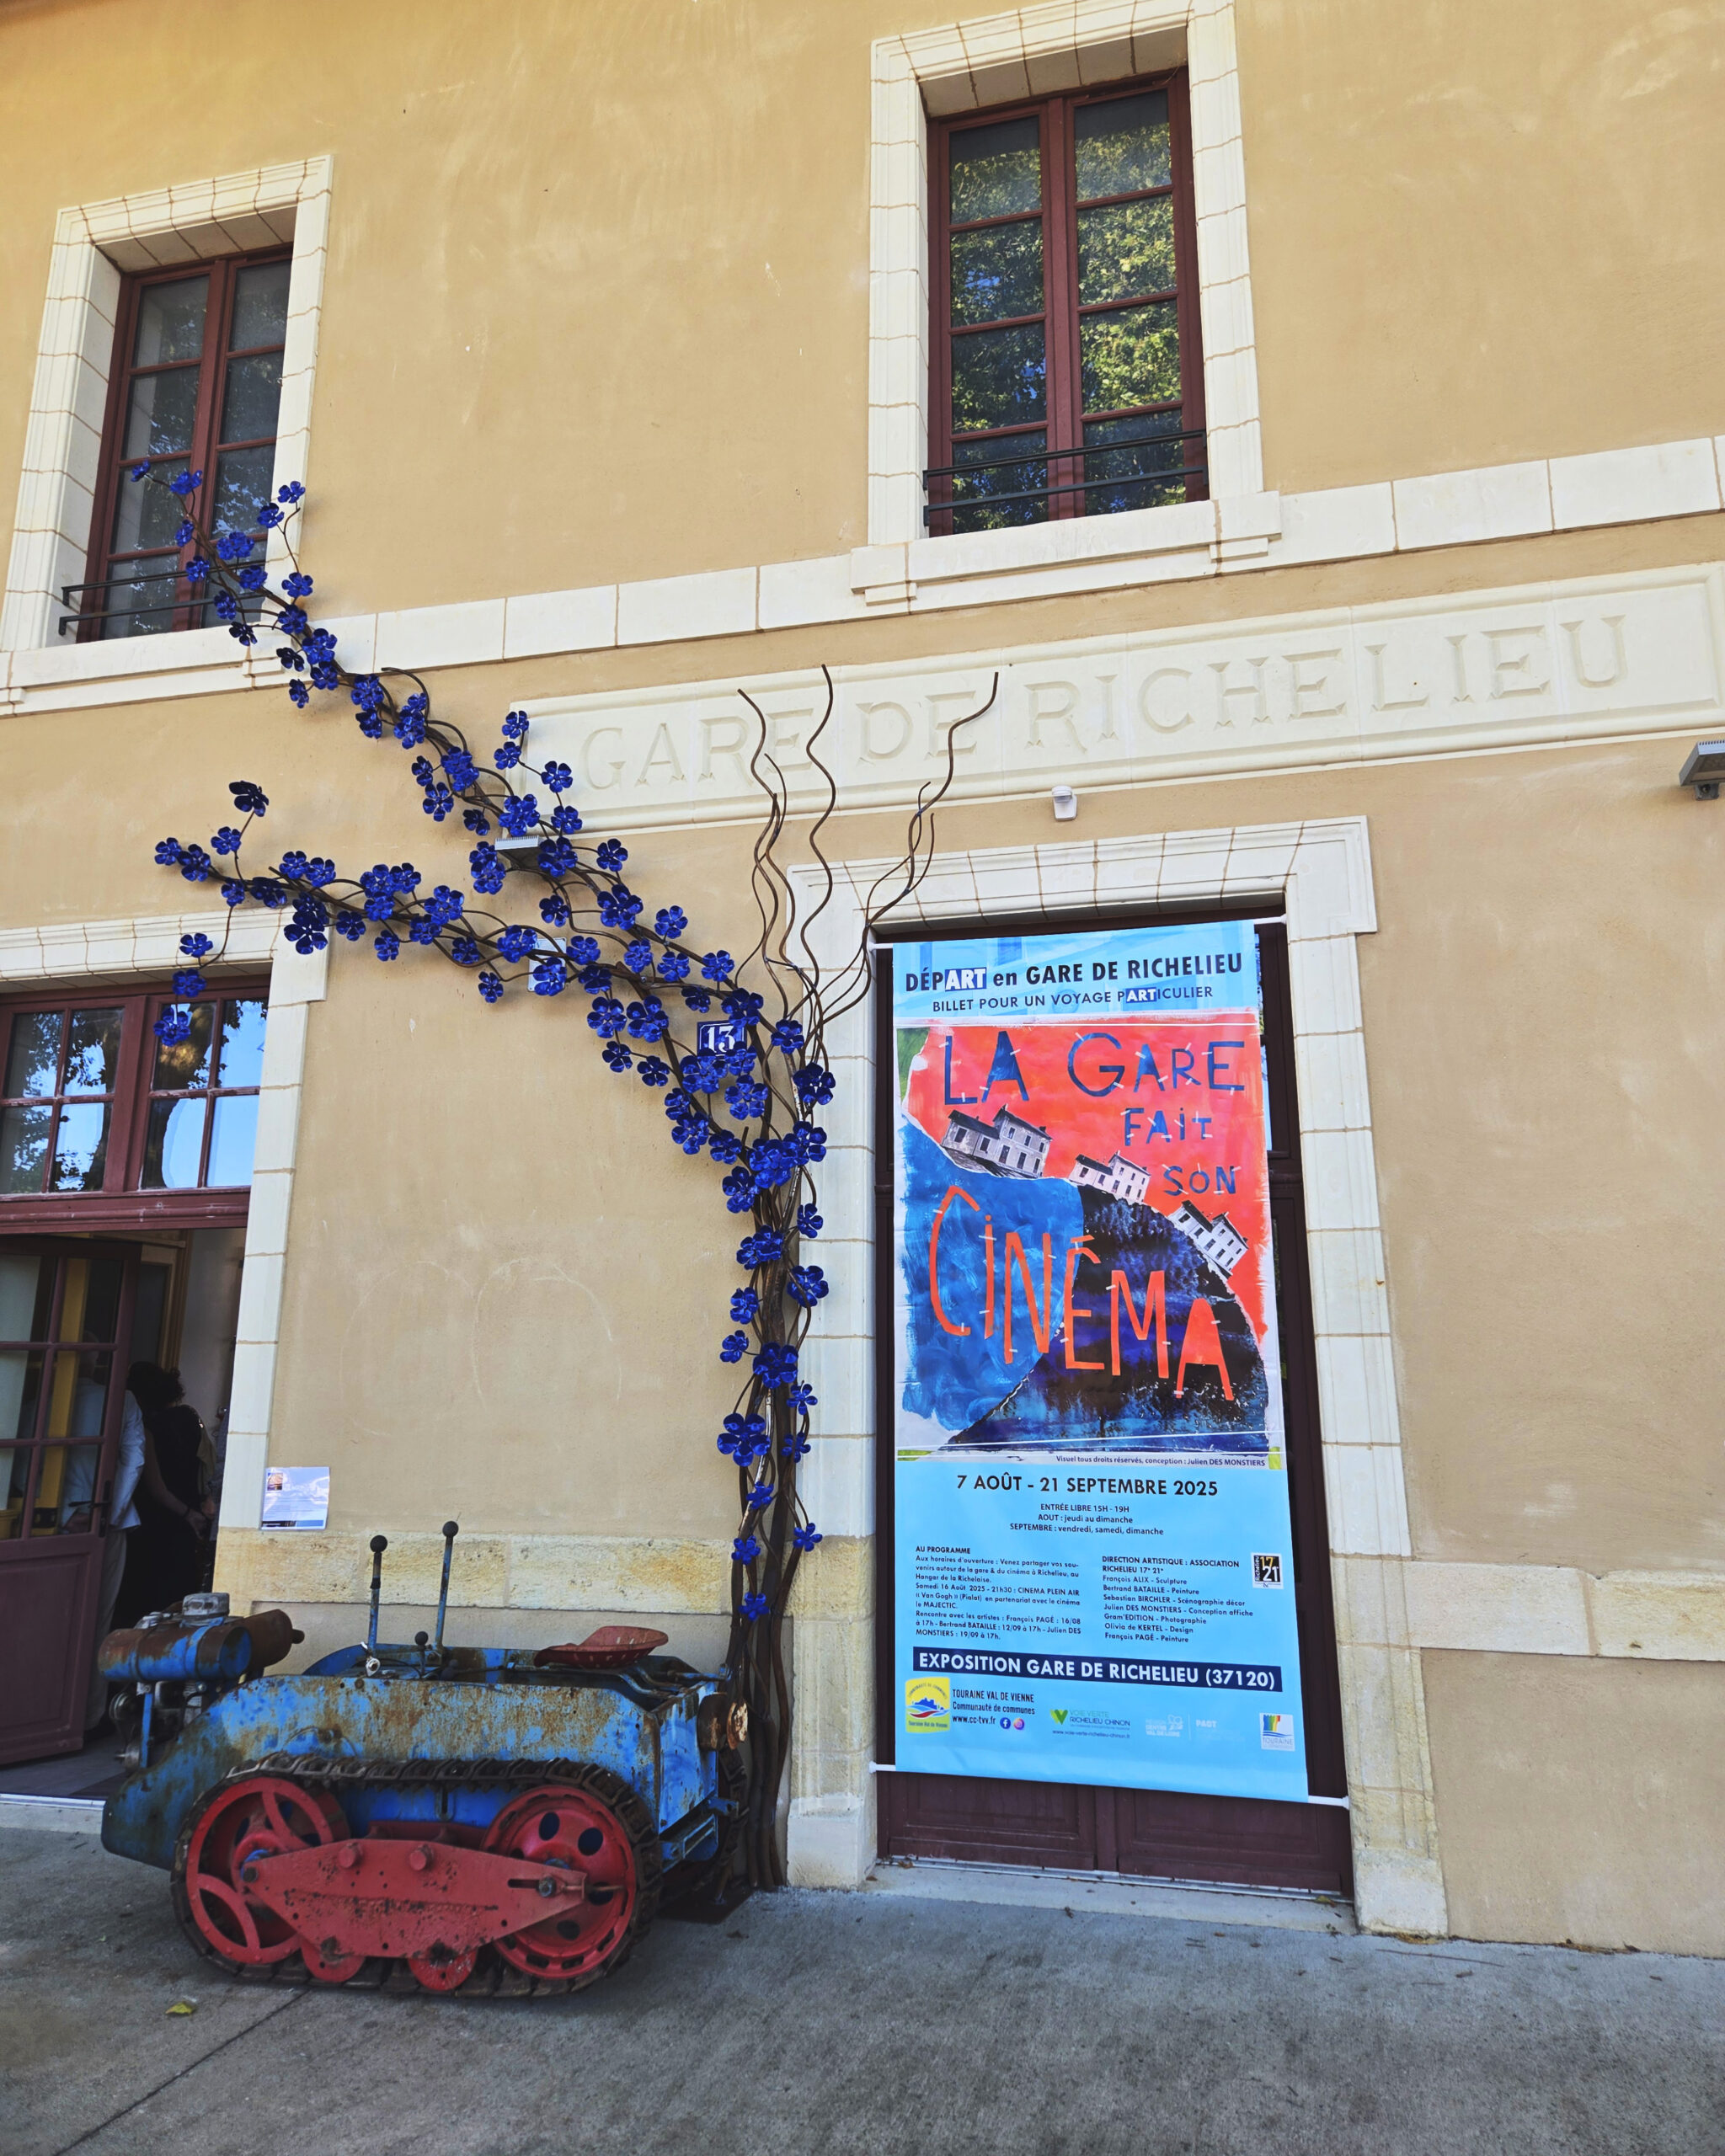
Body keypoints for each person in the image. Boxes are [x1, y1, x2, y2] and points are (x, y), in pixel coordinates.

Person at [114, 1364, 214, 1630]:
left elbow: (156, 1487)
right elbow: (207, 1467)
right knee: (176, 1602)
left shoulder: (145, 1429)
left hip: (155, 1522)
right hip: (186, 1519)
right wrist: (195, 1512)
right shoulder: (191, 1421)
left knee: (145, 1603)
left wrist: (186, 1514)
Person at [84, 1381, 145, 1732]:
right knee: (98, 1616)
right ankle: (89, 1715)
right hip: (105, 1519)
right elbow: (134, 1458)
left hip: (47, 1518)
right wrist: (108, 1512)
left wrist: (61, 1512)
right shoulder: (121, 1398)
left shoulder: (34, 1399)